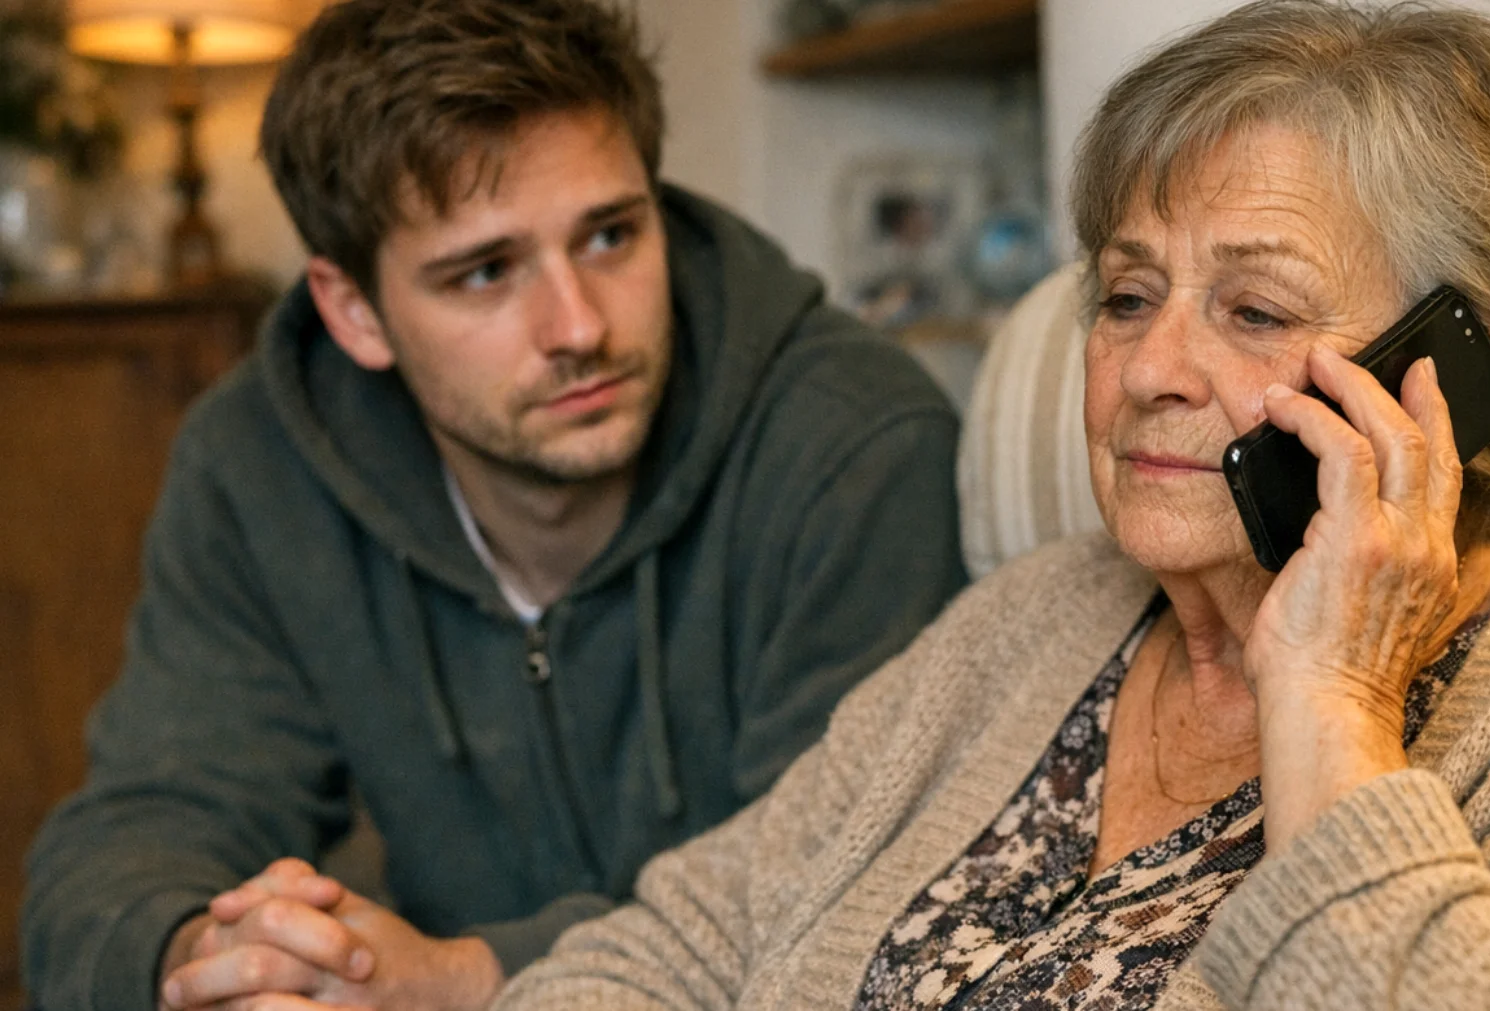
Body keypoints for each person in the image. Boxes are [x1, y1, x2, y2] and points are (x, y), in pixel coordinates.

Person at [487, 2, 1490, 1009]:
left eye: (1256, 310)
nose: (1149, 371)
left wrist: (1332, 701)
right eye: (1125, 295)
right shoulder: (1033, 614)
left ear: (1465, 379)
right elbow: (686, 943)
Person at [20, 1, 970, 1010]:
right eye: (485, 271)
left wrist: (471, 979)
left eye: (609, 235)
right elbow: (139, 830)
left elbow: (859, 896)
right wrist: (210, 963)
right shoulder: (255, 463)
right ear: (353, 311)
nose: (579, 327)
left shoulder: (856, 443)